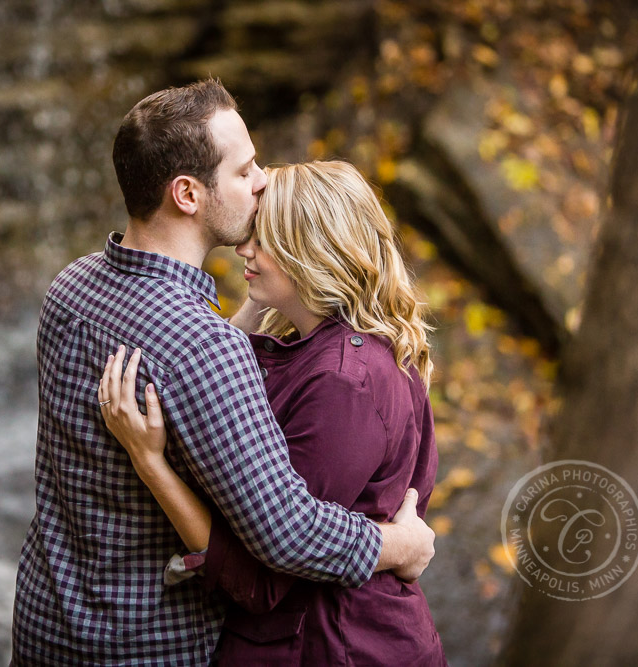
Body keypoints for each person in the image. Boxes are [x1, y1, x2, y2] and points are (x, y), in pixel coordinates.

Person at [11, 80, 435, 665]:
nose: (262, 179)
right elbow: (288, 533)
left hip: (47, 623)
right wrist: (399, 545)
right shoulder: (207, 350)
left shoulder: (71, 288)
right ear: (187, 193)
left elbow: (187, 363)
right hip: (146, 645)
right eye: (244, 170)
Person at [99, 160, 447, 665]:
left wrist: (151, 464)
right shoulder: (314, 342)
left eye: (263, 240)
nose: (243, 248)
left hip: (330, 647)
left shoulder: (344, 382)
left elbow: (262, 580)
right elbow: (230, 354)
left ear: (310, 255)